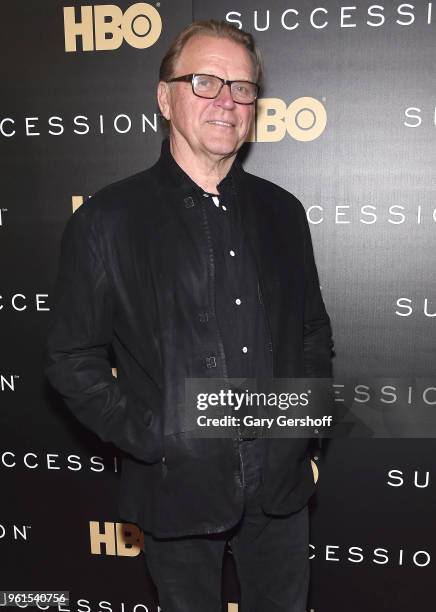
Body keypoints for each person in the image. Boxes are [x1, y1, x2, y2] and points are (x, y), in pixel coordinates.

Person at [45, 19, 334, 612]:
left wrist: (304, 440)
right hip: (176, 489)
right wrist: (155, 437)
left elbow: (311, 334)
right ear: (164, 97)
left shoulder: (285, 213)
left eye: (242, 87)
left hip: (279, 487)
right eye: (205, 81)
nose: (226, 100)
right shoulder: (107, 220)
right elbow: (72, 361)